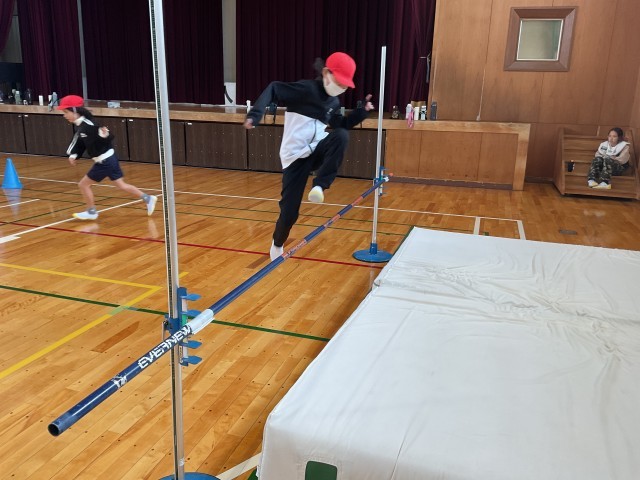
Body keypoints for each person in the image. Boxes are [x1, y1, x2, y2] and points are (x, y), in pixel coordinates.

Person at [243, 52, 374, 260]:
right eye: (339, 83)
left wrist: (362, 113)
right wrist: (255, 115)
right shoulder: (306, 90)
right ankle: (277, 243)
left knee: (341, 135)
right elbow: (274, 88)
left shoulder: (333, 102)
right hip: (295, 158)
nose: (341, 88)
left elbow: (340, 125)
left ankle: (320, 185)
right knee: (289, 212)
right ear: (326, 73)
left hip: (316, 150)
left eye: (344, 86)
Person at [58, 95, 157, 220]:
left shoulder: (90, 125)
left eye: (66, 112)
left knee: (83, 185)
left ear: (75, 111)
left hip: (104, 162)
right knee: (121, 185)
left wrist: (105, 136)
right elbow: (81, 141)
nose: (64, 115)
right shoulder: (82, 125)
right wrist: (74, 154)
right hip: (110, 159)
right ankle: (148, 198)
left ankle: (91, 212)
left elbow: (107, 137)